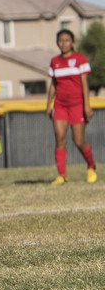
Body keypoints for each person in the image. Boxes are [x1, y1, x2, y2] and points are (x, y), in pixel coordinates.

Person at [46, 29, 96, 185]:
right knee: (60, 138)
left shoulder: (80, 59)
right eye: (61, 40)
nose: (64, 43)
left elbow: (84, 83)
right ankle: (62, 175)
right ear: (57, 43)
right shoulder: (54, 61)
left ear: (72, 42)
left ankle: (91, 166)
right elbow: (53, 84)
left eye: (67, 40)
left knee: (78, 141)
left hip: (77, 105)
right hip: (60, 105)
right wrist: (49, 104)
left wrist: (87, 106)